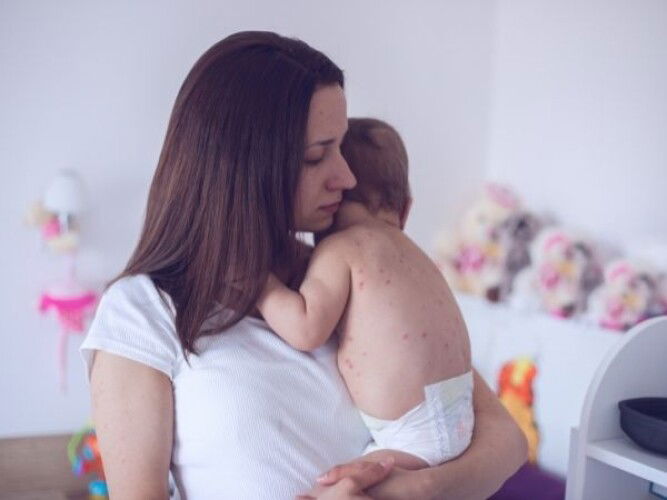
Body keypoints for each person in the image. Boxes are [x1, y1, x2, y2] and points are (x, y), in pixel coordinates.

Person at [81, 31, 527, 499]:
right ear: (244, 168)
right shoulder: (142, 312)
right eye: (316, 156)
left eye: (342, 147)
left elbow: (506, 441)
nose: (347, 177)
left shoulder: (355, 282)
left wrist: (406, 491)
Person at [257, 118, 474, 471]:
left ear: (332, 198)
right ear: (405, 209)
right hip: (460, 417)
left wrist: (261, 285)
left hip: (408, 436)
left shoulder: (341, 248)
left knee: (340, 488)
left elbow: (306, 329)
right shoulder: (417, 255)